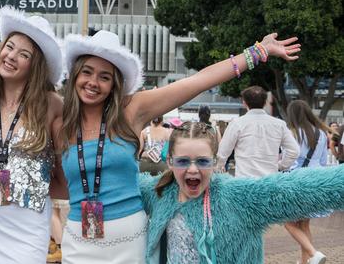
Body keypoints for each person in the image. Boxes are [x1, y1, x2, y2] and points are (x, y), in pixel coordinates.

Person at [57, 30, 300, 263]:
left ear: (115, 84)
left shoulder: (130, 110)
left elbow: (198, 81)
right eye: (87, 72)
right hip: (79, 240)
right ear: (75, 73)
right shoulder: (60, 120)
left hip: (128, 240)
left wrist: (257, 52)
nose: (93, 82)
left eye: (104, 77)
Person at [139, 121, 344, 263]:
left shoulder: (237, 197)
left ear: (214, 162)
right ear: (170, 162)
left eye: (202, 161)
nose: (193, 169)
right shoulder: (159, 192)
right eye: (183, 161)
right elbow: (117, 182)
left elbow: (295, 190)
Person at [0, 6, 64, 263]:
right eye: (9, 47)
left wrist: (31, 186)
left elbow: (64, 177)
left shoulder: (52, 105)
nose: (11, 56)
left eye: (24, 54)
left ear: (36, 65)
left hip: (27, 227)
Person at [283, 100, 331, 264]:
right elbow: (324, 161)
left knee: (288, 223)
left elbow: (287, 159)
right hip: (316, 181)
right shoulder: (322, 134)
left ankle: (313, 253)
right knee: (304, 225)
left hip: (298, 182)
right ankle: (306, 261)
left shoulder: (293, 133)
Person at [217, 86, 300, 177]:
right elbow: (294, 150)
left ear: (244, 103)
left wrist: (219, 167)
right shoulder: (279, 124)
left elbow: (223, 152)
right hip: (270, 181)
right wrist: (281, 166)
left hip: (244, 180)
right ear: (265, 102)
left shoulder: (236, 123)